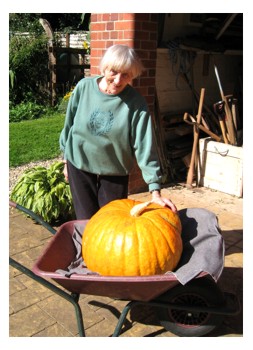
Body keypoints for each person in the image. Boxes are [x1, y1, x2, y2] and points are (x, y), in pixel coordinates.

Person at [59, 44, 177, 219]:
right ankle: (83, 246)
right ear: (105, 67)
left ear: (133, 76)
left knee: (112, 221)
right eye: (113, 72)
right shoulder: (84, 88)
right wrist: (65, 160)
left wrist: (155, 190)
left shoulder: (136, 103)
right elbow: (69, 126)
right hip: (79, 163)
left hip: (114, 171)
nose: (118, 80)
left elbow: (145, 146)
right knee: (85, 220)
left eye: (126, 75)